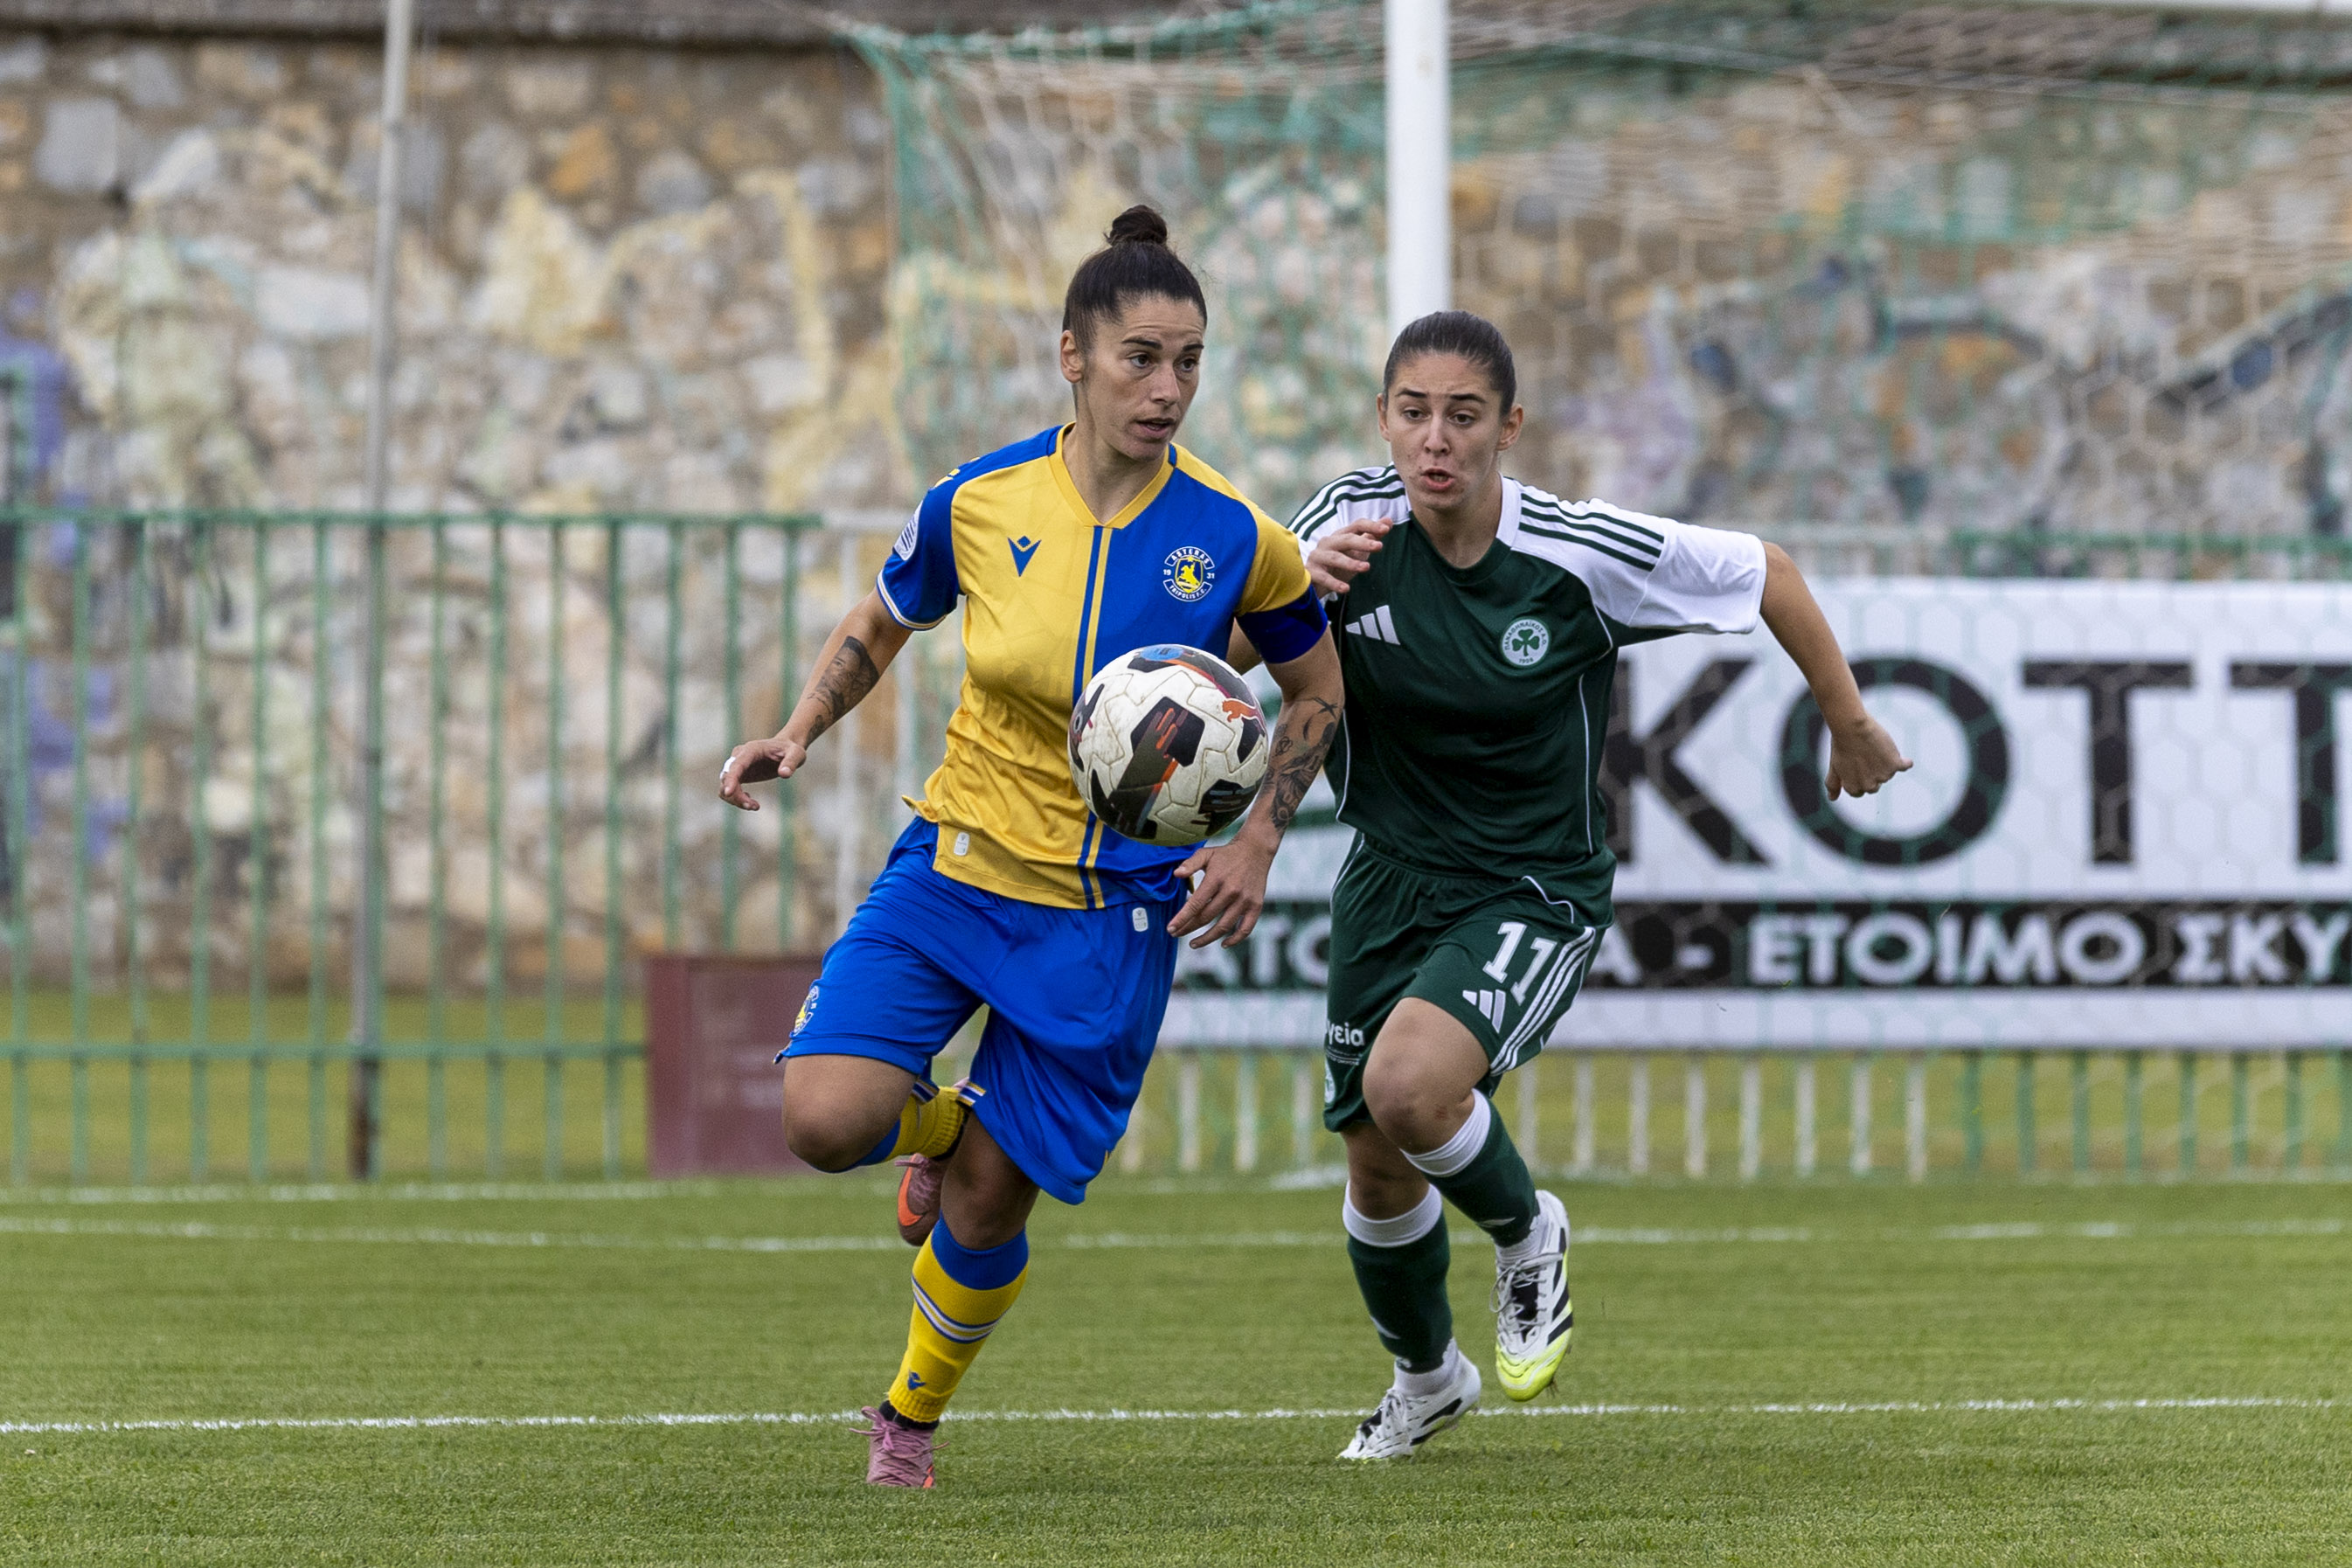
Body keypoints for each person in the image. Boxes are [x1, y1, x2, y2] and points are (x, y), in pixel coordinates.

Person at [718, 206, 1343, 1488]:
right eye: (1139, 359)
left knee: (991, 1201)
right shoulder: (979, 499)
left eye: (1188, 363)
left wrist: (1260, 842)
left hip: (1110, 913)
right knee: (824, 1119)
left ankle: (908, 1417)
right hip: (957, 865)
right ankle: (940, 1123)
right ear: (1073, 355)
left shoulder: (1235, 534)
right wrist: (797, 730)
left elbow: (1320, 688)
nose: (1166, 389)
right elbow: (883, 620)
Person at [1252, 310, 1910, 1460]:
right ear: (1382, 420)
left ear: (1509, 427)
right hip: (1387, 876)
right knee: (1376, 1161)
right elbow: (1241, 652)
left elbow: (1766, 571)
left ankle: (1527, 1232)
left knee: (1410, 1088)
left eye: (1464, 415)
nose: (1437, 439)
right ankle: (1427, 1380)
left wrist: (1846, 719)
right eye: (1414, 412)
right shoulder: (1342, 524)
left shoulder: (1575, 552)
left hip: (1530, 884)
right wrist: (1288, 593)